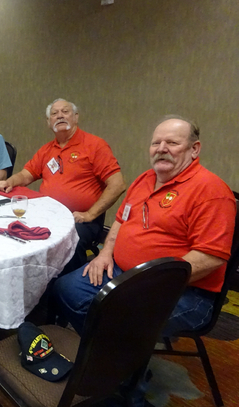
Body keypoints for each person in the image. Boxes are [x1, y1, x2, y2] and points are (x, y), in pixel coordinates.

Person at [53, 116, 235, 405]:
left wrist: (141, 285)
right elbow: (120, 222)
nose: (162, 148)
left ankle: (126, 386)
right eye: (156, 142)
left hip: (186, 292)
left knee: (116, 318)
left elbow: (209, 258)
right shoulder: (144, 180)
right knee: (65, 289)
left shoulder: (211, 192)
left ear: (194, 149)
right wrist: (104, 253)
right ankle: (122, 364)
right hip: (125, 273)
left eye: (172, 143)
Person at [0, 98, 126, 273]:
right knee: (13, 229)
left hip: (80, 220)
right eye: (54, 113)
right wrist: (9, 182)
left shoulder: (95, 145)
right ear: (48, 122)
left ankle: (67, 288)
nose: (60, 116)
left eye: (65, 112)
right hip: (49, 215)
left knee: (65, 244)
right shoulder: (46, 150)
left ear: (76, 117)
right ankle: (32, 279)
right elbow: (26, 174)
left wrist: (90, 214)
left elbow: (117, 184)